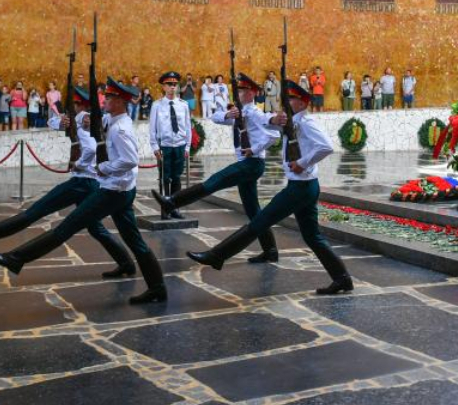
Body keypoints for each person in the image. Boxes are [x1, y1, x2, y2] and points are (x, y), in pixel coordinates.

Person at [0, 79, 167, 305]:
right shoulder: (112, 120)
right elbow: (91, 122)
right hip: (121, 190)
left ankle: (16, 258)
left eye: (109, 98)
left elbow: (130, 160)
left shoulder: (121, 129)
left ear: (120, 101)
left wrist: (104, 168)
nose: (105, 101)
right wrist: (79, 119)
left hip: (113, 192)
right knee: (135, 242)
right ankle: (157, 288)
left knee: (65, 228)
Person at [187, 80, 352, 295]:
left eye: (291, 98)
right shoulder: (292, 121)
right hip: (305, 186)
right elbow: (269, 124)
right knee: (313, 237)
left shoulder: (306, 122)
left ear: (303, 103)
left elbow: (326, 147)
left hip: (300, 188)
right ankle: (342, 279)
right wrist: (274, 119)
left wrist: (302, 163)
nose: (286, 102)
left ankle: (217, 256)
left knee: (259, 222)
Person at [0, 87, 139, 283]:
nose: (72, 106)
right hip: (88, 182)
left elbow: (92, 149)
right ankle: (126, 263)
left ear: (81, 104)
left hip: (84, 181)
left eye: (75, 104)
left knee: (38, 210)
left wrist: (78, 163)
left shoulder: (95, 121)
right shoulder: (82, 119)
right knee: (96, 229)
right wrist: (64, 120)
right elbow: (54, 122)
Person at [152, 73, 280, 263]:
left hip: (252, 164)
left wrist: (254, 149)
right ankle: (270, 250)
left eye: (243, 90)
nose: (240, 93)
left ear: (252, 93)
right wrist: (228, 114)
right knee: (253, 211)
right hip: (247, 165)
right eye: (239, 90)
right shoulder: (239, 112)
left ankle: (173, 202)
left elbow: (274, 134)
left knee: (215, 181)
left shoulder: (254, 112)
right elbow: (215, 117)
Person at [148, 71, 192, 220]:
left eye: (175, 84)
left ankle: (174, 208)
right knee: (165, 178)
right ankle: (165, 209)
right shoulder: (157, 105)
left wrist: (187, 147)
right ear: (164, 86)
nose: (173, 87)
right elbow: (152, 128)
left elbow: (187, 126)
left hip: (179, 145)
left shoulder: (183, 105)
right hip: (165, 146)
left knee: (177, 177)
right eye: (169, 84)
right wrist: (155, 147)